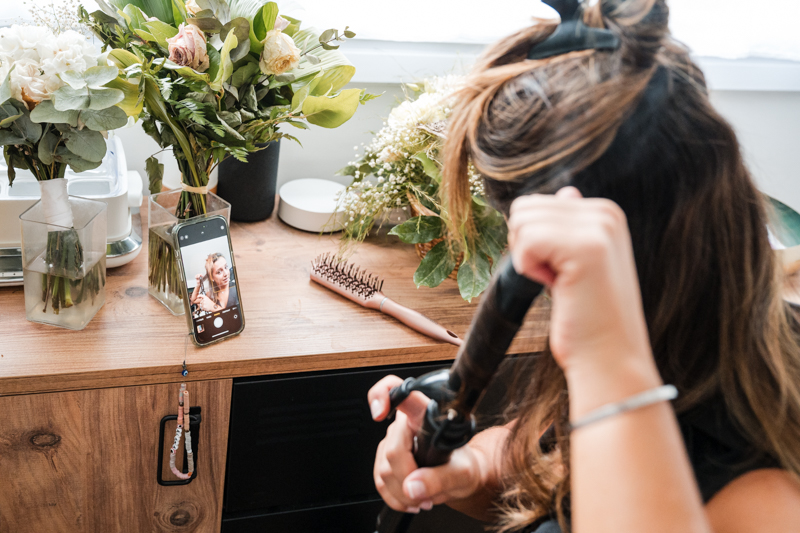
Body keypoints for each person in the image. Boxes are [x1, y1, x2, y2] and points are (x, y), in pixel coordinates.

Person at [368, 1, 800, 532]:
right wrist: (472, 469)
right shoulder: (675, 350)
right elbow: (553, 458)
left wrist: (605, 356)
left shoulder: (769, 500)